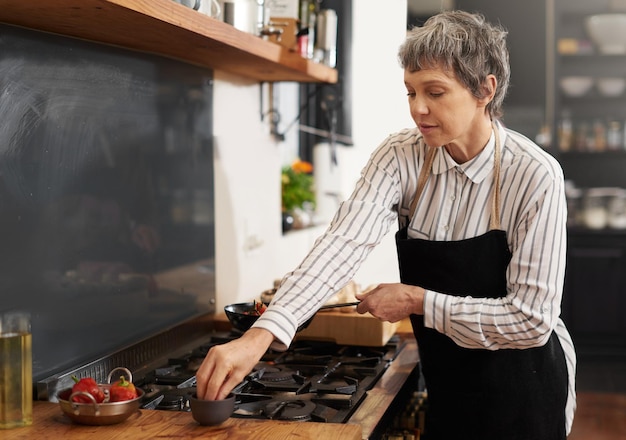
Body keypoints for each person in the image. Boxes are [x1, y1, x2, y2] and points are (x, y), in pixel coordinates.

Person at [196, 10, 576, 439]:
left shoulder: (535, 175)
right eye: (410, 91)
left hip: (525, 386)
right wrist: (259, 335)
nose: (418, 108)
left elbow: (530, 319)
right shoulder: (401, 156)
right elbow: (342, 243)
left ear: (484, 90)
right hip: (449, 382)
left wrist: (417, 300)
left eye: (435, 92)